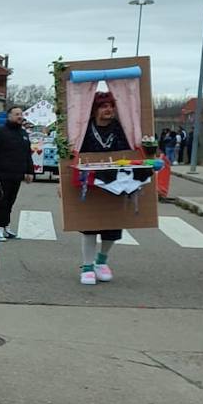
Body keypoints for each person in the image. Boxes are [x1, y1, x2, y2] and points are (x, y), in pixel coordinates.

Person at [77, 92, 132, 286]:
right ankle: (87, 266)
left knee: (112, 227)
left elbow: (127, 152)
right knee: (90, 227)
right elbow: (74, 155)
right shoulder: (84, 130)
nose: (109, 109)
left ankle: (101, 260)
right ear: (95, 110)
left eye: (111, 106)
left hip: (115, 182)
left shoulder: (120, 129)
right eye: (104, 106)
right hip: (90, 181)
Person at [0, 105, 36, 240]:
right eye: (16, 114)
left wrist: (30, 172)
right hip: (0, 174)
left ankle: (6, 227)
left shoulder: (23, 134)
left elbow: (27, 154)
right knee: (1, 201)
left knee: (10, 202)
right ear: (9, 116)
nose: (20, 117)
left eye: (21, 114)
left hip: (17, 174)